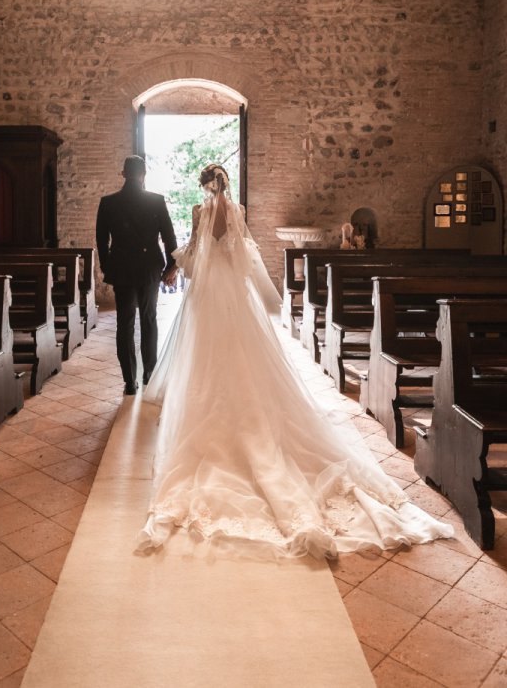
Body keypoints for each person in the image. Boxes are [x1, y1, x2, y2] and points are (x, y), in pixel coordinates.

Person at [136, 163, 453, 559]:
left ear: (203, 186)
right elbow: (243, 255)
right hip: (233, 291)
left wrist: (181, 263)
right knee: (242, 349)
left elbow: (198, 249)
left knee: (205, 350)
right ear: (226, 184)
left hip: (208, 291)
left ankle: (209, 404)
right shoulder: (237, 211)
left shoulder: (200, 213)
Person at [96, 155, 178, 396]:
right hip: (149, 267)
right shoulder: (156, 201)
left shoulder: (108, 202)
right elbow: (169, 237)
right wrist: (171, 266)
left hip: (121, 268)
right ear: (143, 175)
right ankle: (149, 374)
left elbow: (102, 241)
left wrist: (107, 267)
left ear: (123, 173)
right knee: (149, 320)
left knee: (125, 323)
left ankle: (129, 381)